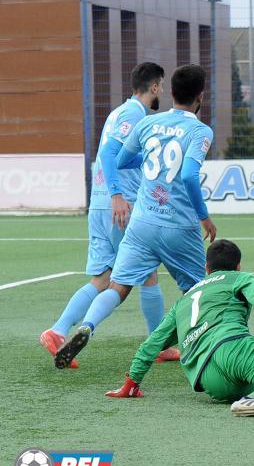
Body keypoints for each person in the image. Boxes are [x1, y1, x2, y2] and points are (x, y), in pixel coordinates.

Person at [54, 65, 218, 369]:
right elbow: (189, 176)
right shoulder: (200, 131)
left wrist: (150, 161)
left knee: (117, 286)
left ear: (170, 92)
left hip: (141, 223)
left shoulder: (149, 123)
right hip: (178, 225)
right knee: (197, 291)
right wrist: (204, 216)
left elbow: (120, 158)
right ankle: (204, 350)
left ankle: (87, 325)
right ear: (201, 96)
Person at [40, 63, 177, 367]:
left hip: (100, 204)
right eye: (162, 86)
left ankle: (58, 330)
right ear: (154, 87)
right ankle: (158, 345)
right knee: (148, 273)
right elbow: (108, 154)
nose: (163, 92)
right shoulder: (133, 114)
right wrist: (118, 195)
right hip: (120, 205)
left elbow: (117, 155)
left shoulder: (118, 113)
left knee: (103, 278)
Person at [104, 239, 254, 418]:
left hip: (209, 381)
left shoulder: (184, 300)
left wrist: (131, 385)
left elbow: (152, 344)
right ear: (238, 266)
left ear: (206, 268)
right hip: (231, 347)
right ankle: (253, 400)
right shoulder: (238, 278)